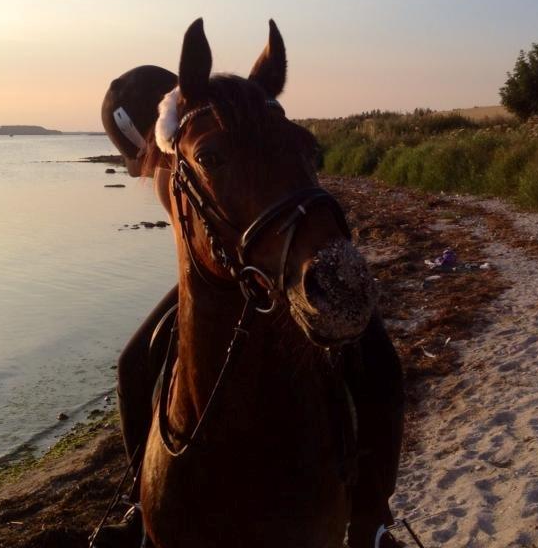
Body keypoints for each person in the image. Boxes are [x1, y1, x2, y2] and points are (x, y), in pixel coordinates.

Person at [96, 66, 404, 548]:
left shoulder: (210, 138)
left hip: (268, 261)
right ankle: (141, 502)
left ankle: (371, 517)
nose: (141, 163)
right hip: (216, 280)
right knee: (135, 363)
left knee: (377, 357)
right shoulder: (179, 160)